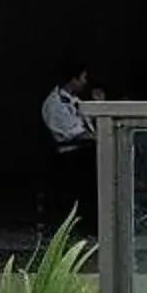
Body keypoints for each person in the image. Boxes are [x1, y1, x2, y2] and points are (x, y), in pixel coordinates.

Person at [40, 66, 97, 237]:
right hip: (69, 155)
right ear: (73, 79)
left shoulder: (76, 100)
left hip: (84, 151)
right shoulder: (54, 103)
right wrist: (95, 138)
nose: (85, 82)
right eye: (83, 78)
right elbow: (73, 133)